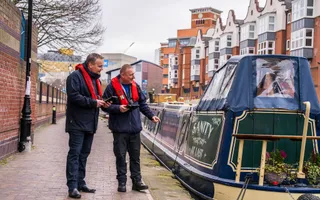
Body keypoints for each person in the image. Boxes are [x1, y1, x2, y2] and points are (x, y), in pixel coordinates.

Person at [102, 64, 160, 193]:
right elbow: (104, 106)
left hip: (134, 128)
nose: (133, 76)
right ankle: (122, 182)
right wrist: (118, 108)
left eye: (133, 74)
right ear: (122, 75)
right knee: (121, 156)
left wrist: (151, 116)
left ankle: (137, 182)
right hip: (119, 129)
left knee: (135, 157)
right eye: (130, 74)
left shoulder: (135, 86)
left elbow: (142, 104)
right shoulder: (111, 87)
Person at [65, 53, 111, 199]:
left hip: (90, 123)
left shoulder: (95, 80)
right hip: (77, 123)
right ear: (90, 65)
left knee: (84, 154)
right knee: (75, 154)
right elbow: (74, 96)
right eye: (99, 66)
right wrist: (94, 103)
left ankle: (80, 182)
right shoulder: (75, 77)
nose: (101, 69)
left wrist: (103, 102)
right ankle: (72, 186)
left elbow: (95, 99)